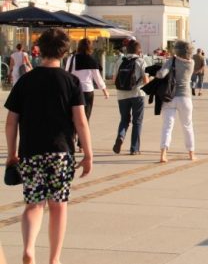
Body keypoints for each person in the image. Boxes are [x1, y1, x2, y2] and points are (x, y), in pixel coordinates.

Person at [4, 28, 93, 264]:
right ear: (65, 52)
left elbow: (11, 122)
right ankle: (54, 259)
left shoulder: (25, 81)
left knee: (33, 204)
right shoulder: (71, 81)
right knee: (58, 206)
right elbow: (80, 121)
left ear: (39, 50)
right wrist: (88, 155)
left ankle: (29, 249)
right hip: (61, 153)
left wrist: (12, 153)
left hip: (31, 151)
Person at [65, 38, 109, 151]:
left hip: (73, 90)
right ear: (90, 48)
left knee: (72, 116)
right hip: (88, 91)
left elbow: (66, 72)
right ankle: (81, 144)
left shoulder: (72, 58)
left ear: (78, 46)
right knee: (85, 117)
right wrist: (104, 90)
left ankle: (72, 138)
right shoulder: (92, 60)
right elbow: (97, 78)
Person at [158, 40, 196, 163]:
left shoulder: (172, 60)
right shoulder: (192, 63)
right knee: (187, 126)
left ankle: (163, 154)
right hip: (185, 97)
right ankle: (191, 153)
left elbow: (162, 74)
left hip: (170, 97)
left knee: (167, 126)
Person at [113, 40, 149, 155]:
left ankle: (121, 136)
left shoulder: (120, 61)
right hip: (137, 94)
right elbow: (146, 81)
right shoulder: (141, 61)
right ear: (139, 51)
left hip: (122, 95)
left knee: (124, 119)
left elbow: (114, 80)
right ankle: (134, 148)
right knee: (137, 121)